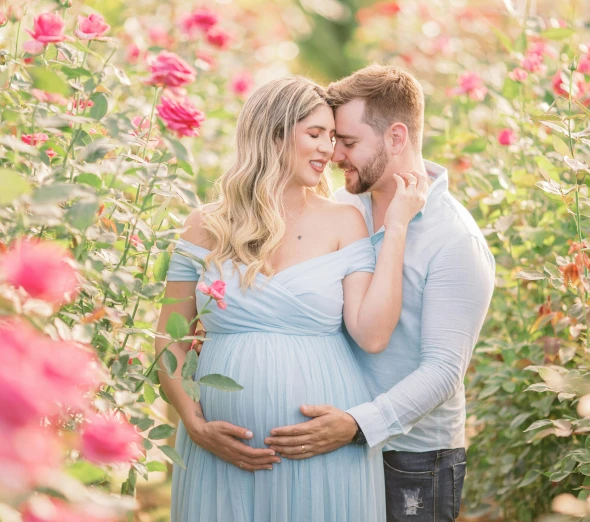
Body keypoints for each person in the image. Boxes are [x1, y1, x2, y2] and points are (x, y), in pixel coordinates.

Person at [156, 76, 427, 522]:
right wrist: (195, 424)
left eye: (334, 137)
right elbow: (168, 341)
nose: (329, 150)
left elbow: (373, 334)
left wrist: (396, 226)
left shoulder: (344, 221)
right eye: (315, 134)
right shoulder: (204, 225)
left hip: (321, 455)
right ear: (274, 134)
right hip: (220, 456)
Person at [264, 65, 496, 521]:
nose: (334, 155)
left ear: (395, 138)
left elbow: (444, 370)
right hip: (330, 445)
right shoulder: (340, 209)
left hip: (412, 458)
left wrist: (356, 425)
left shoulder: (454, 239)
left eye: (347, 143)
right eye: (332, 140)